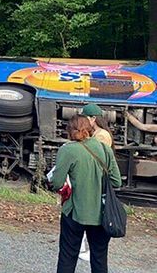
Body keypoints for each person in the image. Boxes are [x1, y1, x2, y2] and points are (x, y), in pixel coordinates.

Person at [51, 115, 121, 273]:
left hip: (75, 212)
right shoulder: (104, 149)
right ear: (89, 129)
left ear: (69, 131)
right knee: (99, 259)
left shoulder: (68, 150)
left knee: (68, 257)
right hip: (102, 214)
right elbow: (117, 181)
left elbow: (56, 182)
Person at [78, 103, 114, 261]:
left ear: (93, 119)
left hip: (97, 180)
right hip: (95, 179)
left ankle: (90, 249)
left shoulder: (102, 136)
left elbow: (98, 159)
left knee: (92, 213)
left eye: (85, 118)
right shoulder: (99, 133)